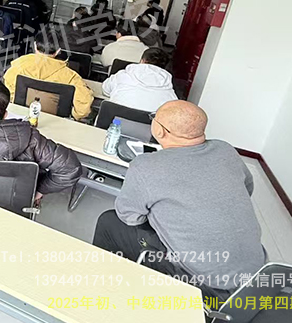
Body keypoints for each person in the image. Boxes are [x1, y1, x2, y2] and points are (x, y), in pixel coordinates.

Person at [92, 101, 266, 299]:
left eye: (154, 117)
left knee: (109, 221)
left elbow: (129, 217)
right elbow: (248, 187)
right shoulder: (225, 149)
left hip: (204, 282)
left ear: (160, 130)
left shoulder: (145, 165)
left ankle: (102, 286)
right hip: (256, 270)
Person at [3, 31, 94, 120]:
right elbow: (83, 109)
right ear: (58, 51)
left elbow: (7, 94)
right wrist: (71, 115)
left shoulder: (18, 66)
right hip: (55, 122)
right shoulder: (70, 77)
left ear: (35, 45)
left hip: (22, 118)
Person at [102, 48, 177, 112]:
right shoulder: (169, 92)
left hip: (113, 121)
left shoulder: (123, 75)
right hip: (146, 125)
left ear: (142, 60)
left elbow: (105, 89)